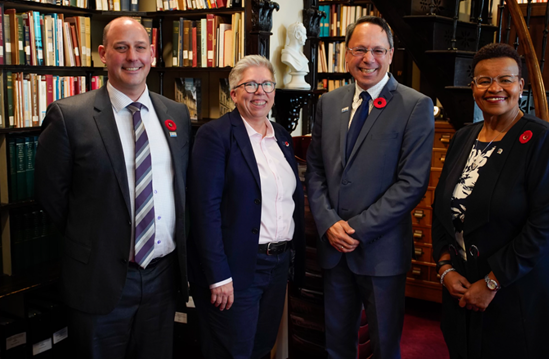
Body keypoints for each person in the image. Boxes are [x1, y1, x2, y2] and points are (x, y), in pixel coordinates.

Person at [34, 17, 191, 359]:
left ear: (152, 55)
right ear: (104, 54)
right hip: (98, 280)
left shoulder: (176, 114)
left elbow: (180, 188)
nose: (132, 57)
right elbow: (51, 195)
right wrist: (96, 240)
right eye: (121, 48)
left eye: (140, 47)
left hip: (162, 279)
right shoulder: (69, 116)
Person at [432, 43, 549, 359]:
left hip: (520, 288)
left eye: (506, 79)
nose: (495, 88)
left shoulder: (543, 139)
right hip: (463, 281)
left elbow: (545, 225)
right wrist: (444, 267)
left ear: (521, 86)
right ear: (473, 88)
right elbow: (442, 209)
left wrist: (493, 282)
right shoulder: (463, 137)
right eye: (484, 80)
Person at [305, 16, 435, 359]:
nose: (369, 58)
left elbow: (412, 184)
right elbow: (316, 170)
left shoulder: (415, 105)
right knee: (337, 345)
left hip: (382, 253)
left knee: (384, 346)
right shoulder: (329, 103)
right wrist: (328, 223)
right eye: (360, 49)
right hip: (334, 250)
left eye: (378, 50)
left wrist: (355, 229)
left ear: (391, 54)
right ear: (346, 55)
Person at [187, 54, 305, 359]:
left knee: (261, 347)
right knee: (233, 351)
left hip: (277, 265)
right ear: (233, 93)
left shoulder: (280, 135)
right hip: (237, 268)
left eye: (267, 84)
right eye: (250, 84)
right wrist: (218, 276)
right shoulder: (214, 136)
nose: (260, 92)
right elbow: (205, 211)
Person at [281, 22, 310, 89]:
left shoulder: (302, 56)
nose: (306, 37)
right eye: (304, 35)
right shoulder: (287, 55)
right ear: (297, 35)